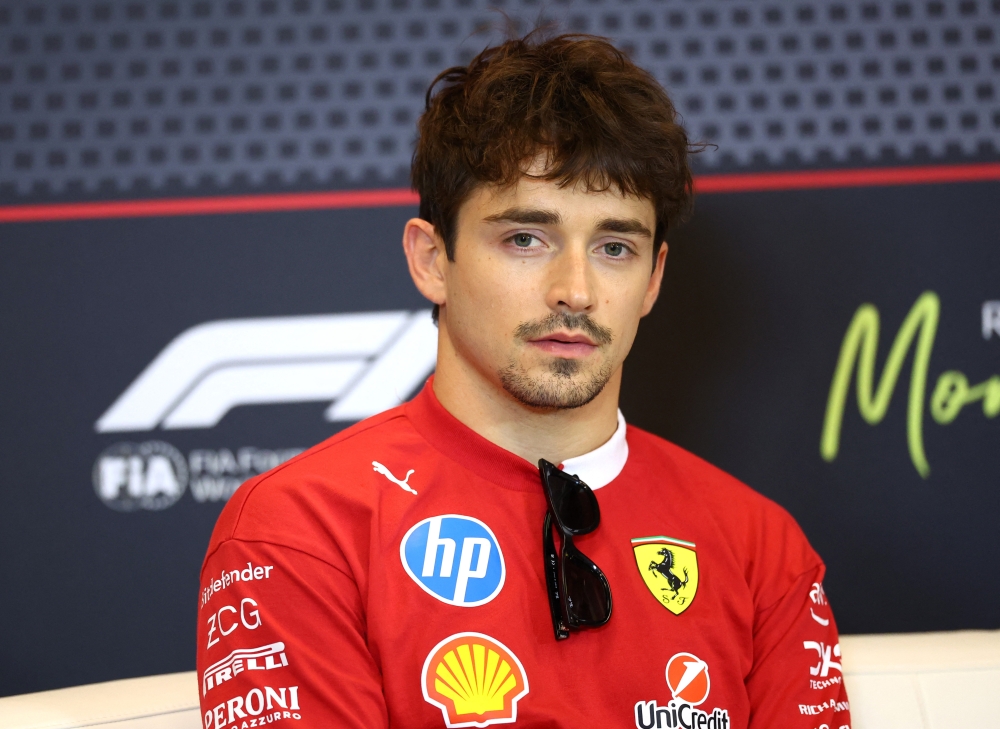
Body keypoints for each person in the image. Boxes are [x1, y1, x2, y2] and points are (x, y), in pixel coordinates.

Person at [196, 33, 851, 729]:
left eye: (614, 247)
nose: (575, 290)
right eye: (525, 239)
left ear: (653, 279)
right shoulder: (300, 530)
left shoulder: (762, 547)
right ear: (431, 259)